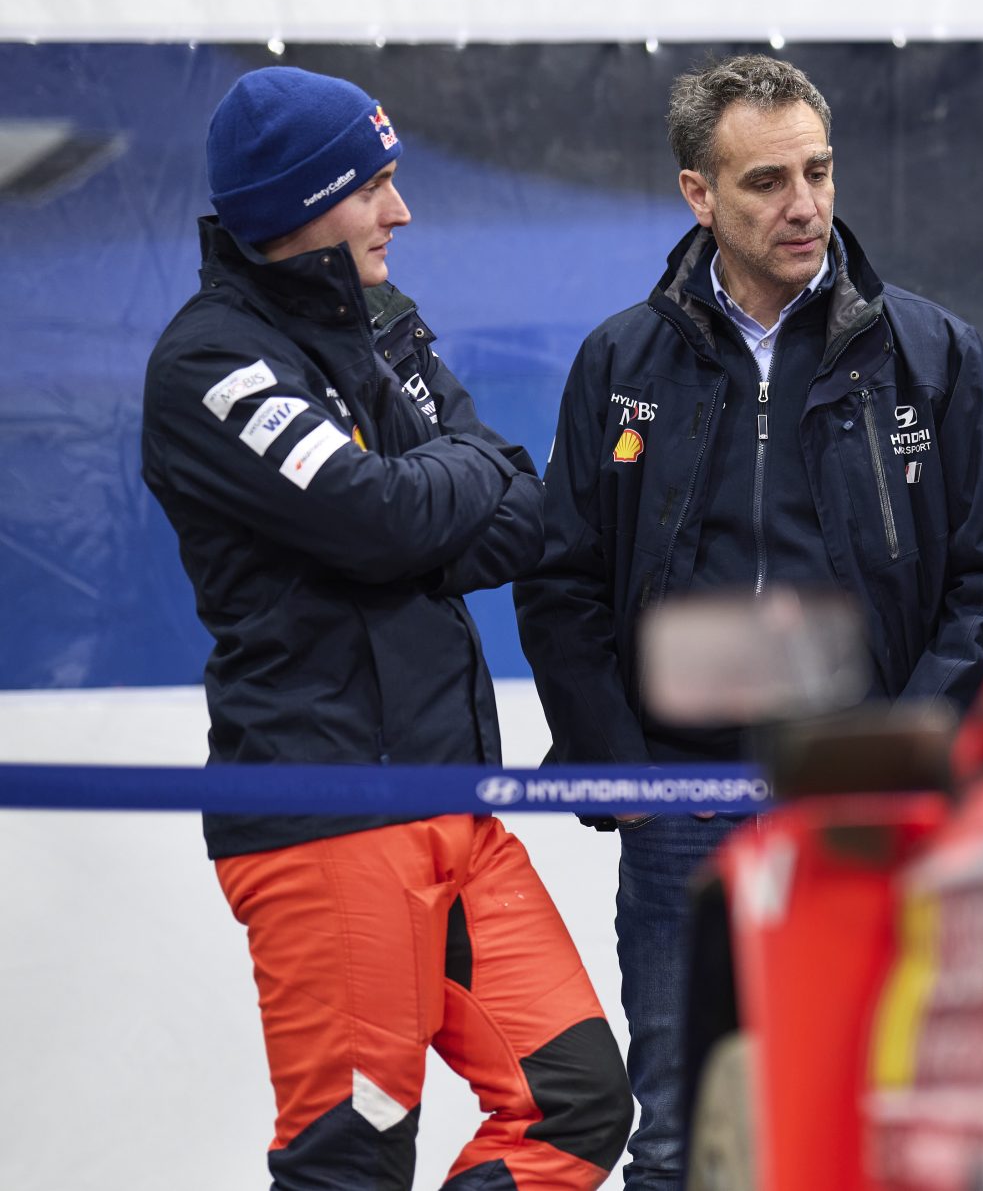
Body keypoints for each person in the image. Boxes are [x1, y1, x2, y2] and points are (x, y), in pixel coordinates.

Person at [514, 54, 983, 1185]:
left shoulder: (931, 352)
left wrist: (896, 753)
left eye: (818, 171)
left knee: (874, 1129)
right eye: (766, 181)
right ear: (698, 194)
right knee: (676, 1135)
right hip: (681, 813)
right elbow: (561, 582)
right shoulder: (619, 359)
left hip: (861, 814)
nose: (804, 204)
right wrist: (625, 776)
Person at [141, 66, 631, 1190]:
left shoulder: (383, 320)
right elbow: (380, 518)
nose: (400, 212)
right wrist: (420, 508)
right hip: (328, 817)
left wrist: (416, 511)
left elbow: (518, 503)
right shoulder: (208, 361)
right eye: (373, 187)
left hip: (456, 803)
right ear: (300, 202)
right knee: (350, 1163)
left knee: (575, 1109)